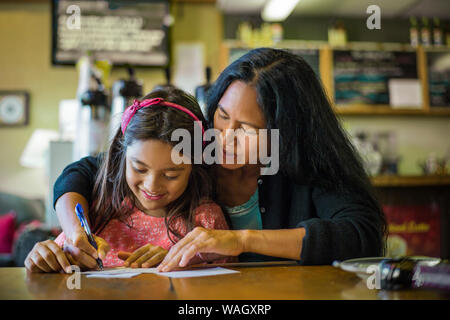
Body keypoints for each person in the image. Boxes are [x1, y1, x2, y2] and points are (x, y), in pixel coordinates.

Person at [52, 48, 387, 272]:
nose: (224, 137)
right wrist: (74, 231)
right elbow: (85, 171)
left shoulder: (307, 167)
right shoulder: (195, 151)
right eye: (222, 116)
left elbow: (360, 235)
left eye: (247, 129)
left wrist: (239, 239)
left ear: (285, 134)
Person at [24, 87, 231, 273]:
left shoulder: (206, 220)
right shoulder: (98, 207)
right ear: (121, 156)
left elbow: (229, 281)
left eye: (171, 175)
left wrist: (183, 263)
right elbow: (59, 264)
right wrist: (44, 258)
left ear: (194, 165)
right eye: (139, 168)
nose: (151, 185)